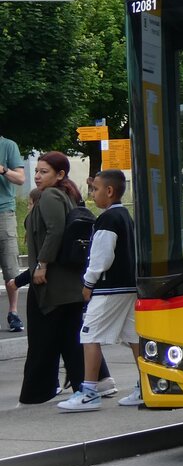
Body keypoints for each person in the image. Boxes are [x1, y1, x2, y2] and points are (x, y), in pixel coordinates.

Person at [58, 169, 141, 411]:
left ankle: (89, 392)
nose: (92, 194)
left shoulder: (106, 219)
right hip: (128, 286)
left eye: (94, 189)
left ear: (109, 191)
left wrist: (88, 283)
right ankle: (147, 385)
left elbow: (101, 257)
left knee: (89, 334)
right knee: (133, 336)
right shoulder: (125, 215)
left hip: (109, 288)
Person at [19, 152, 86, 405]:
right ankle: (86, 385)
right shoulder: (66, 194)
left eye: (43, 171)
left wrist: (41, 265)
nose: (37, 176)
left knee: (42, 339)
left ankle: (37, 393)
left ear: (60, 175)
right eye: (36, 171)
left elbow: (55, 230)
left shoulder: (49, 196)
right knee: (69, 338)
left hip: (52, 284)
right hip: (68, 284)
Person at [0, 131, 27, 332]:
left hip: (3, 212)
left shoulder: (8, 145)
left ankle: (14, 312)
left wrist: (2, 170)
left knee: (10, 266)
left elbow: (20, 178)